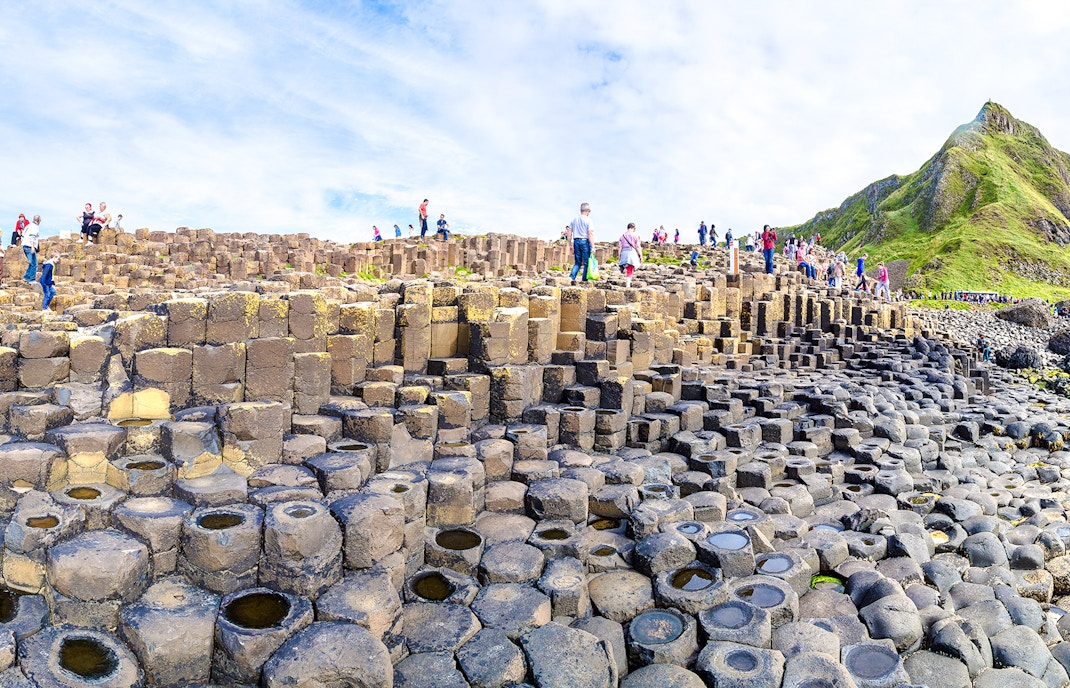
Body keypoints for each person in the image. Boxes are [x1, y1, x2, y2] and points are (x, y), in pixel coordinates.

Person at [567, 202, 593, 284]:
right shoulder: (589, 220)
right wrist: (593, 246)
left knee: (577, 262)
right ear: (587, 211)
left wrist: (570, 245)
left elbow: (569, 233)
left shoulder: (574, 220)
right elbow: (590, 233)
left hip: (576, 241)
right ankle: (584, 280)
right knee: (586, 262)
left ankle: (571, 277)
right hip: (584, 241)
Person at [618, 222, 642, 288]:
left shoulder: (622, 236)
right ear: (633, 228)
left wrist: (619, 256)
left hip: (624, 253)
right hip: (631, 252)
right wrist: (640, 255)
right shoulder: (636, 235)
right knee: (630, 269)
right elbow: (638, 246)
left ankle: (627, 283)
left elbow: (620, 247)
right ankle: (627, 285)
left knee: (627, 268)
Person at [23, 215, 40, 282]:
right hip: (29, 246)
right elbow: (32, 237)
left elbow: (23, 234)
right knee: (34, 264)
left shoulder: (28, 225)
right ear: (39, 221)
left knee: (31, 263)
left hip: (24, 245)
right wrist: (32, 247)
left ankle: (26, 277)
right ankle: (31, 279)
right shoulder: (35, 227)